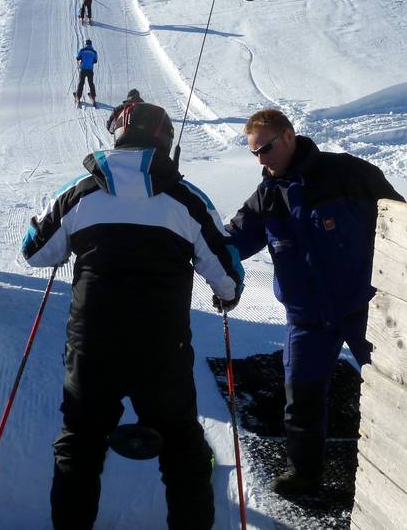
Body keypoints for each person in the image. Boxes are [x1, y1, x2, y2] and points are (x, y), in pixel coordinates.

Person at [22, 101, 244, 530]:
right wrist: (227, 296)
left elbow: (35, 252)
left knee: (80, 444)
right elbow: (227, 278)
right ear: (165, 141)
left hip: (91, 346)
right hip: (161, 349)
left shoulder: (79, 192)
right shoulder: (186, 199)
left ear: (117, 136)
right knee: (182, 449)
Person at [225, 108, 405, 498]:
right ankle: (304, 476)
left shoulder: (349, 174)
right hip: (306, 319)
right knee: (302, 399)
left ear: (289, 136)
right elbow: (229, 242)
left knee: (394, 392)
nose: (261, 160)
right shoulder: (267, 198)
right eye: (255, 153)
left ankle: (404, 477)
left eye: (266, 148)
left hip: (364, 309)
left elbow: (401, 223)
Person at [73, 39, 98, 107]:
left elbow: (78, 58)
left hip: (83, 69)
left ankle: (78, 97)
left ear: (86, 44)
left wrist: (80, 59)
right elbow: (95, 61)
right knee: (91, 83)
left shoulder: (82, 50)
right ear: (91, 44)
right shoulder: (94, 52)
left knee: (81, 83)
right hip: (90, 70)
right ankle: (93, 97)